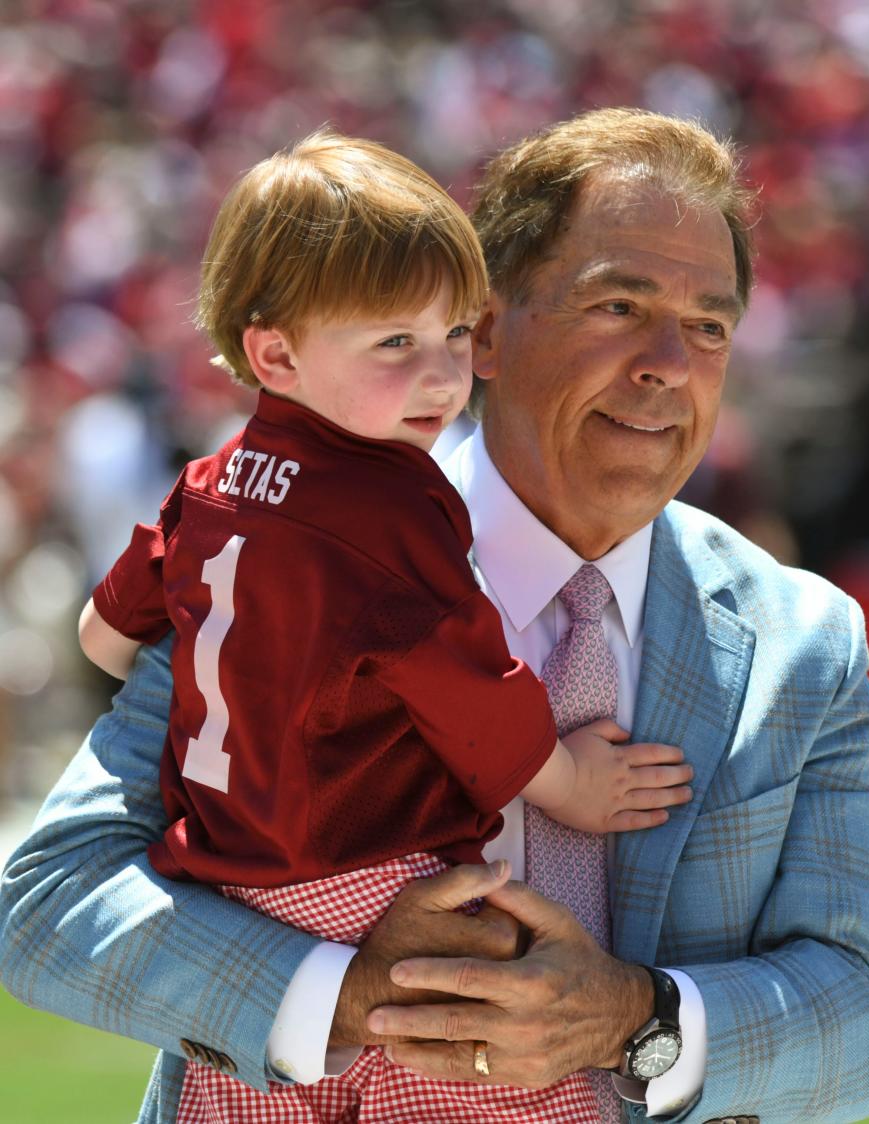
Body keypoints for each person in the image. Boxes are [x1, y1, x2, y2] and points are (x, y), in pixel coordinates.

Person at [0, 107, 869, 1124]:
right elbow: (50, 904)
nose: (670, 361)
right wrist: (345, 993)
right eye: (619, 304)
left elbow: (865, 1022)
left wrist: (629, 1017)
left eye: (710, 324)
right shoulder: (290, 546)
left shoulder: (804, 641)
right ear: (484, 330)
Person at [74, 129, 693, 1123]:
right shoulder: (391, 507)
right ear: (275, 350)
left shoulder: (213, 475)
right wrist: (575, 782)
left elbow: (107, 630)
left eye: (456, 337)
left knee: (244, 1095)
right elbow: (470, 691)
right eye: (395, 344)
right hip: (365, 870)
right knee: (512, 1062)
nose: (443, 378)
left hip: (230, 886)